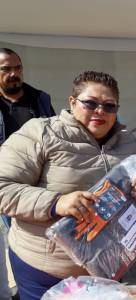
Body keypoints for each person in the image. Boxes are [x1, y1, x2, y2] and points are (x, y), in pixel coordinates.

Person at [0, 71, 136, 299]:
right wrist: (56, 202)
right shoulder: (41, 132)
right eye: (90, 103)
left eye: (109, 106)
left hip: (107, 267)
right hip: (45, 270)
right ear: (72, 102)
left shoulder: (127, 141)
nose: (100, 111)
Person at [0, 47, 55, 300]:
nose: (13, 74)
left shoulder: (40, 99)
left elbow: (55, 135)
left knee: (39, 235)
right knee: (15, 236)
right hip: (8, 185)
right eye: (5, 69)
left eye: (17, 68)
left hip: (39, 184)